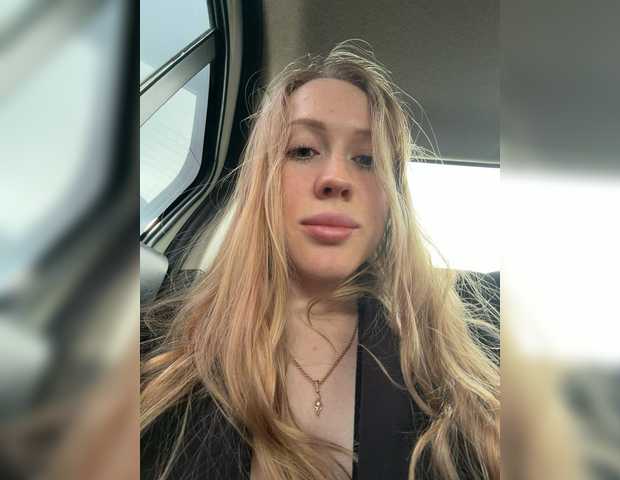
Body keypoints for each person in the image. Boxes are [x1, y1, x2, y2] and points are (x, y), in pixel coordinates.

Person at [141, 40, 500, 480]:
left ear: (389, 203)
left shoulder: (454, 380)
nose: (336, 178)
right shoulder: (154, 355)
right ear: (263, 182)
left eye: (367, 159)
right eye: (303, 151)